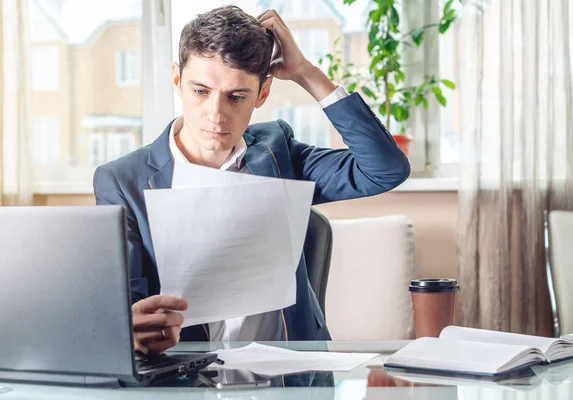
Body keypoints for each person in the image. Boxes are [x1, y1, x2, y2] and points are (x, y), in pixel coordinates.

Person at [94, 6, 410, 355]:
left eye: (236, 96)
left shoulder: (277, 155)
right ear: (176, 79)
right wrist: (129, 327)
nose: (216, 114)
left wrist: (307, 73)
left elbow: (384, 170)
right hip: (186, 382)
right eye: (200, 91)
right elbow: (126, 302)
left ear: (261, 94)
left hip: (290, 382)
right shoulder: (121, 181)